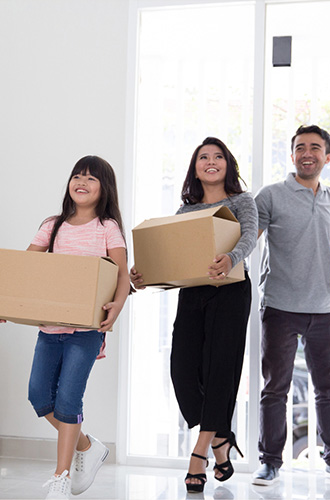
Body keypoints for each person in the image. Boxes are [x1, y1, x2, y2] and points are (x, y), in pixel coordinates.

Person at [130, 137, 257, 493]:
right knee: (182, 369)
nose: (211, 161)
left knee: (221, 369)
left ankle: (199, 454)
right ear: (195, 167)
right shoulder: (185, 210)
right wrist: (145, 273)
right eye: (204, 157)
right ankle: (221, 440)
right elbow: (172, 254)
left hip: (231, 290)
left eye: (218, 156)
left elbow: (250, 238)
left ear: (228, 165)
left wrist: (231, 258)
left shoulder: (242, 201)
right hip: (194, 291)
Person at [0, 155, 129, 499]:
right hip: (50, 329)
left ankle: (61, 477)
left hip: (86, 332)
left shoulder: (107, 227)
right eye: (77, 176)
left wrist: (118, 305)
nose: (81, 182)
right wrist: (8, 303)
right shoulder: (53, 225)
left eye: (91, 178)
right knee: (39, 396)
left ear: (104, 189)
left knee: (68, 402)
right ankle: (87, 445)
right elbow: (25, 267)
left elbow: (121, 273)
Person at [252, 125, 330, 486]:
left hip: (324, 308)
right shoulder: (271, 196)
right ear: (292, 155)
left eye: (315, 148)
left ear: (327, 157)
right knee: (275, 390)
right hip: (280, 306)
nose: (307, 153)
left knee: (328, 389)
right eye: (300, 147)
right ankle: (270, 462)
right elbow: (248, 239)